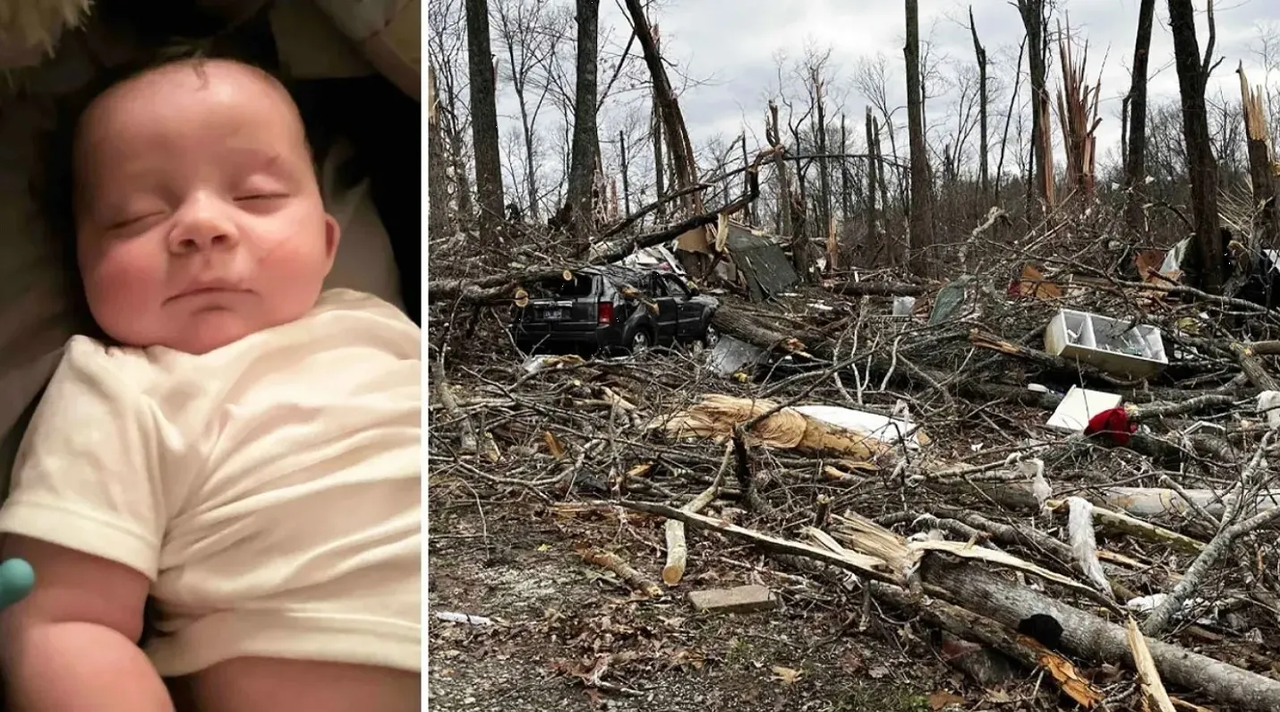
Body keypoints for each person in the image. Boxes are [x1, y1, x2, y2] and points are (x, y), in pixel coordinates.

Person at [0, 56, 421, 712]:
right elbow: (58, 623)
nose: (202, 225)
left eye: (255, 196)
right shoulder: (115, 389)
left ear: (329, 241)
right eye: (134, 216)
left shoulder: (382, 328)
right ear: (81, 265)